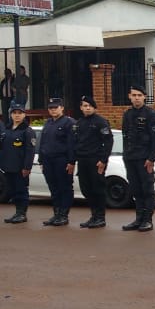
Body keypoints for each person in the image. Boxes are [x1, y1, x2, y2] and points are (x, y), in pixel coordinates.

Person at [120, 84, 155, 232]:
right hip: (131, 157)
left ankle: (147, 220)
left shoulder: (151, 114)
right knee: (135, 189)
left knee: (147, 189)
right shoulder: (127, 114)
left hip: (144, 159)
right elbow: (125, 136)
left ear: (144, 97)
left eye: (139, 95)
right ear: (129, 97)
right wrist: (125, 155)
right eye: (134, 95)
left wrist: (151, 158)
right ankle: (138, 218)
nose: (136, 98)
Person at [73, 96, 113, 229]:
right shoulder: (79, 123)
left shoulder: (100, 122)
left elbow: (108, 141)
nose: (87, 108)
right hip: (83, 160)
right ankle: (93, 215)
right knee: (86, 189)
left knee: (97, 189)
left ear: (94, 107)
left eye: (90, 105)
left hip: (95, 161)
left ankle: (100, 217)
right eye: (84, 105)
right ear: (81, 108)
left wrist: (103, 160)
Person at [38, 97, 76, 227]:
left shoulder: (69, 123)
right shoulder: (48, 123)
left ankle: (63, 215)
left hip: (62, 160)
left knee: (64, 187)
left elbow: (72, 144)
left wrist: (71, 161)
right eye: (51, 108)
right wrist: (41, 160)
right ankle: (56, 213)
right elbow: (43, 142)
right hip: (48, 160)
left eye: (56, 107)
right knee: (53, 188)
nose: (53, 110)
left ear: (62, 108)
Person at [1, 101, 35, 224]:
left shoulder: (27, 131)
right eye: (14, 113)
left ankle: (22, 214)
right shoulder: (7, 130)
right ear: (11, 115)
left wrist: (27, 167)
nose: (17, 115)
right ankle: (17, 212)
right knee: (13, 190)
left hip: (20, 168)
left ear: (24, 115)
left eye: (19, 113)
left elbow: (30, 151)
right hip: (8, 167)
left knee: (21, 191)